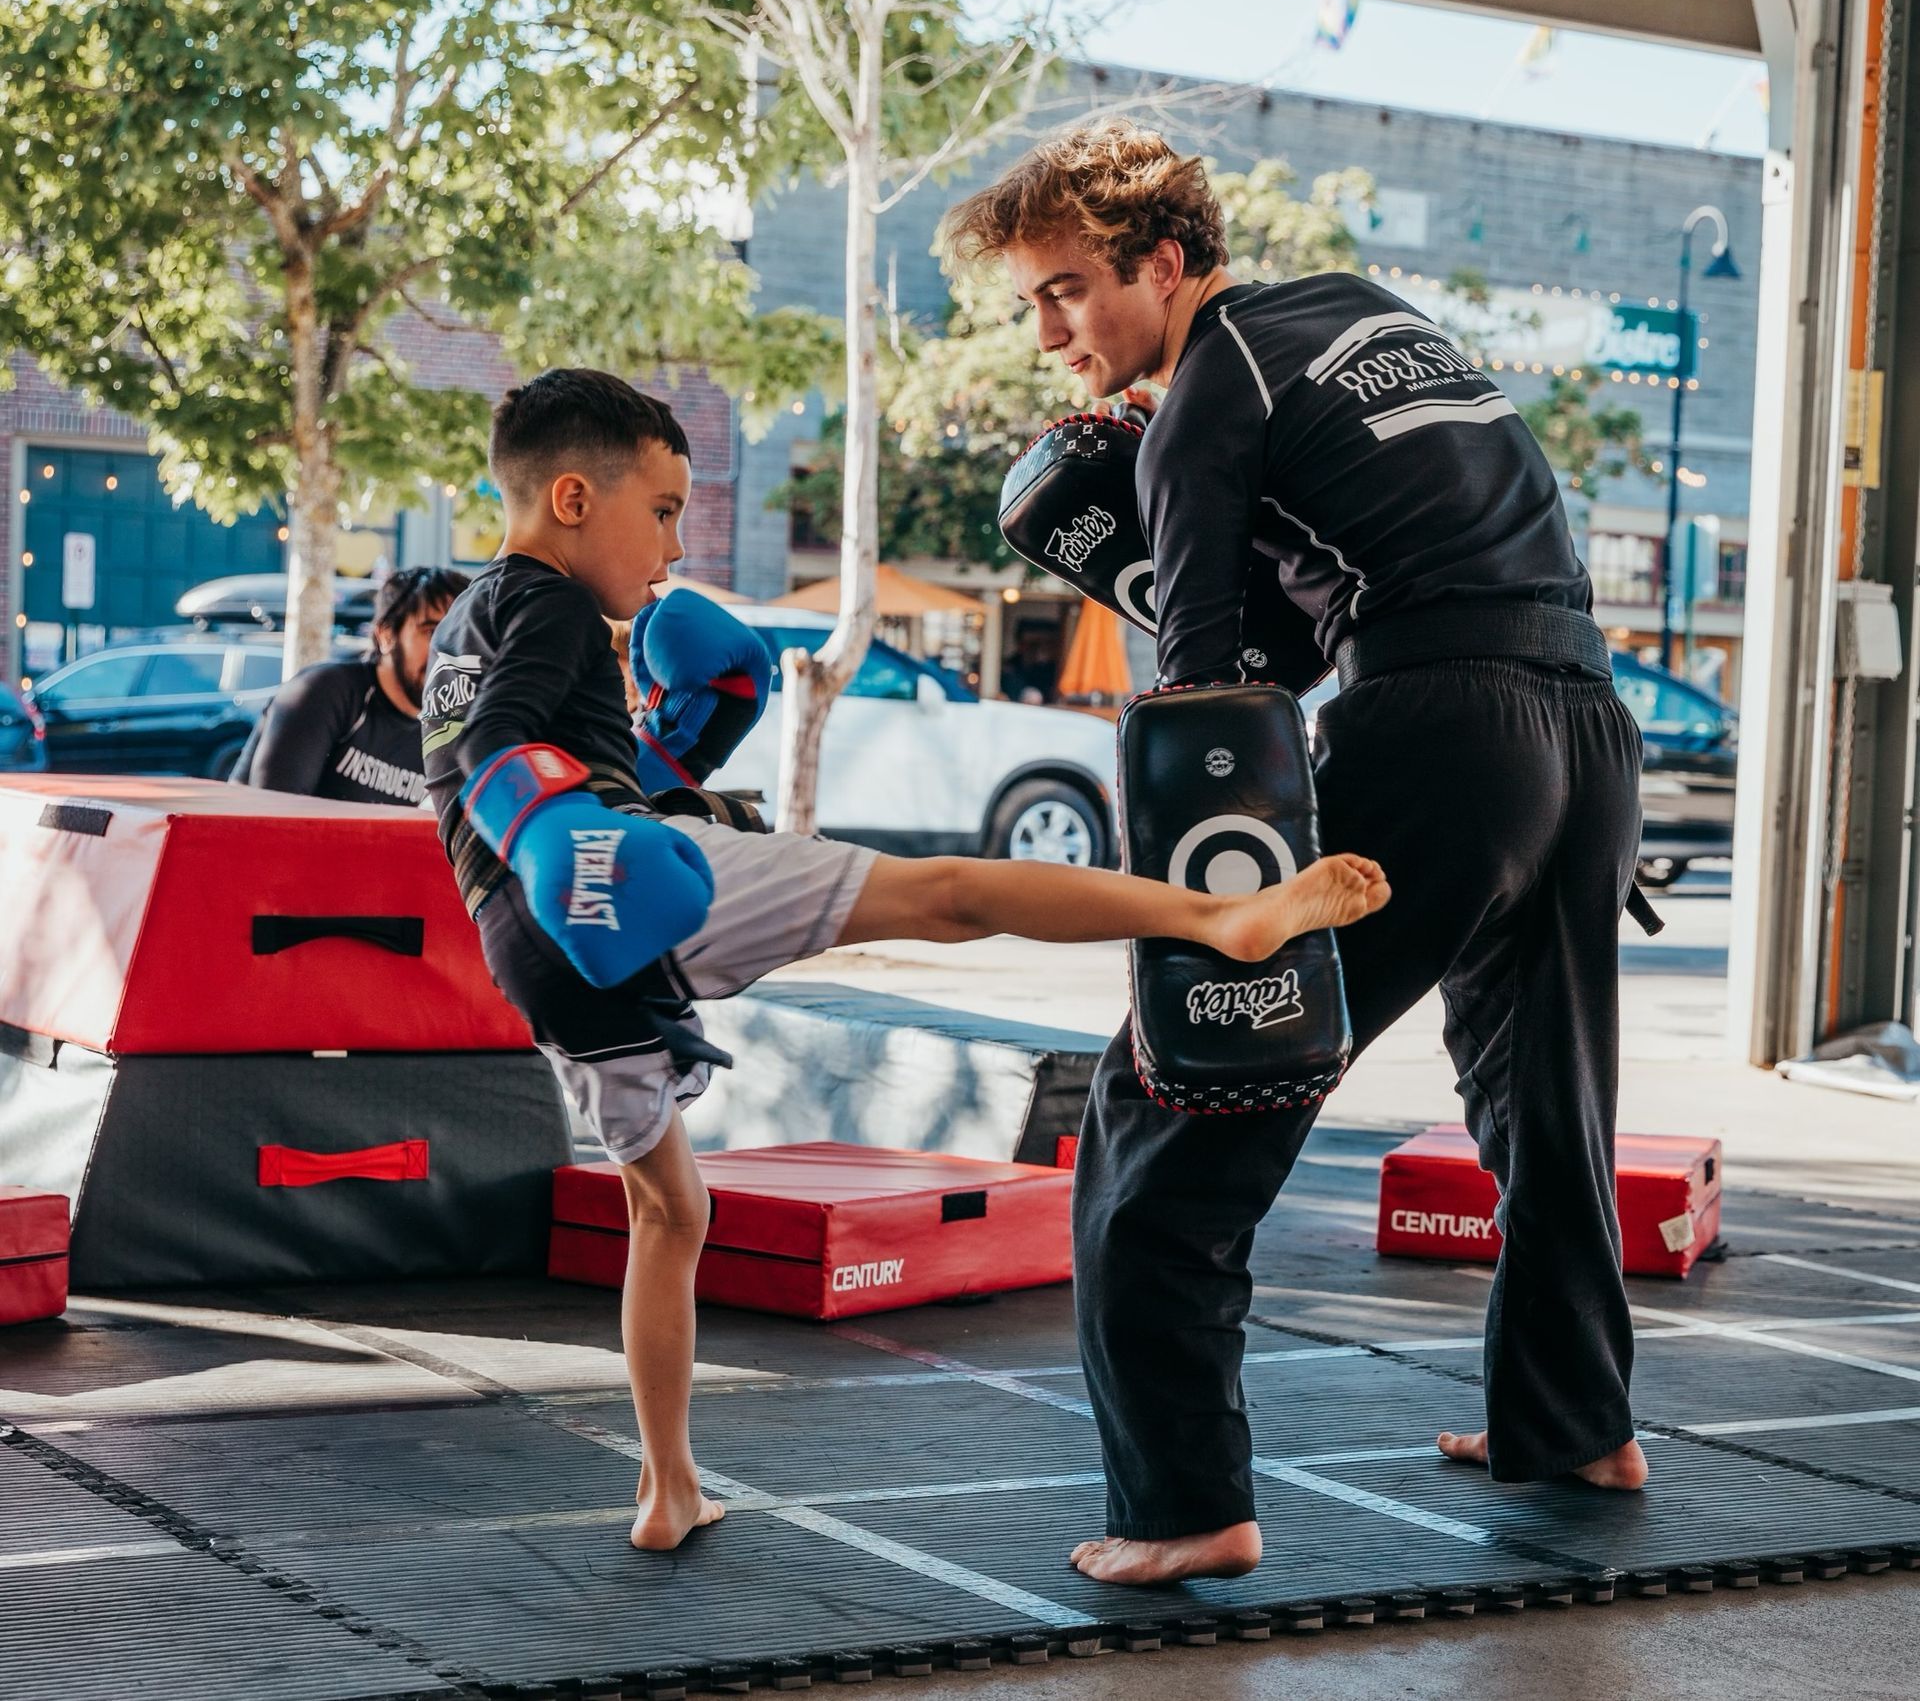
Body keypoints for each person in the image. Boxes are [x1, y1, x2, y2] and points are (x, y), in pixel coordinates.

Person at [420, 368, 1390, 1552]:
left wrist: (665, 760)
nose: (675, 543)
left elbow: (507, 753)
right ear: (574, 496)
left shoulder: (467, 621)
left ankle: (667, 1484)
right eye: (665, 508)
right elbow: (505, 760)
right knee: (949, 894)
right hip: (610, 880)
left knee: (670, 1209)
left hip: (544, 956)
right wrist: (574, 841)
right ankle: (1215, 918)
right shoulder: (557, 609)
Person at [941, 118, 1652, 1586]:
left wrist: (1211, 939)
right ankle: (1579, 1421)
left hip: (1444, 730)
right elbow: (1389, 545)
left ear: (1167, 259)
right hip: (1587, 725)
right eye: (1030, 301)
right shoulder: (1357, 312)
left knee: (1175, 1102)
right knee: (1542, 1093)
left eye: (1070, 288)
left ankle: (1186, 1502)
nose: (1050, 330)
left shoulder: (1206, 390)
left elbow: (1211, 701)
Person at [230, 565, 468, 804]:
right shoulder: (324, 692)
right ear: (386, 635)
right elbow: (274, 818)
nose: (447, 651)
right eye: (432, 632)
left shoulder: (451, 726)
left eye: (460, 635)